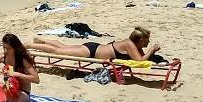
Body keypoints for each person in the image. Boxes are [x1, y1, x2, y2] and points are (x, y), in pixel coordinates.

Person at [28, 27, 160, 61]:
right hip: (91, 52)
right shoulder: (130, 45)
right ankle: (30, 46)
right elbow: (139, 60)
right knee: (58, 51)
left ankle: (42, 41)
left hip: (94, 47)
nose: (148, 41)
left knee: (63, 46)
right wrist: (152, 50)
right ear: (141, 40)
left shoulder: (131, 44)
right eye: (147, 39)